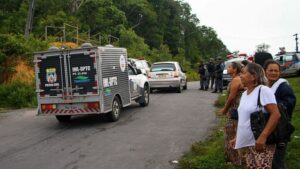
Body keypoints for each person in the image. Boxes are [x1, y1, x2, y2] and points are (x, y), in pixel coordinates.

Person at [230, 63, 281, 168]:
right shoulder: (245, 94)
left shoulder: (263, 90)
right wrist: (237, 137)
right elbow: (244, 119)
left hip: (261, 143)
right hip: (248, 143)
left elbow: (275, 114)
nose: (240, 75)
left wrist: (263, 137)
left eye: (244, 73)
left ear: (253, 76)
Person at [264, 59, 296, 169]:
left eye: (276, 71)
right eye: (270, 70)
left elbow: (289, 104)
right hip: (267, 128)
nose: (273, 73)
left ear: (279, 72)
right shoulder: (265, 86)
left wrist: (273, 107)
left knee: (277, 162)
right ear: (265, 71)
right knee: (268, 159)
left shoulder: (283, 87)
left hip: (279, 131)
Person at [220, 62, 243, 165]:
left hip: (234, 110)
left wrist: (225, 109)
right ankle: (237, 158)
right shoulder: (237, 78)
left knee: (231, 133)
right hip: (236, 110)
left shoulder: (236, 79)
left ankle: (234, 160)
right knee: (234, 133)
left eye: (229, 67)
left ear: (235, 69)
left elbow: (232, 97)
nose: (228, 68)